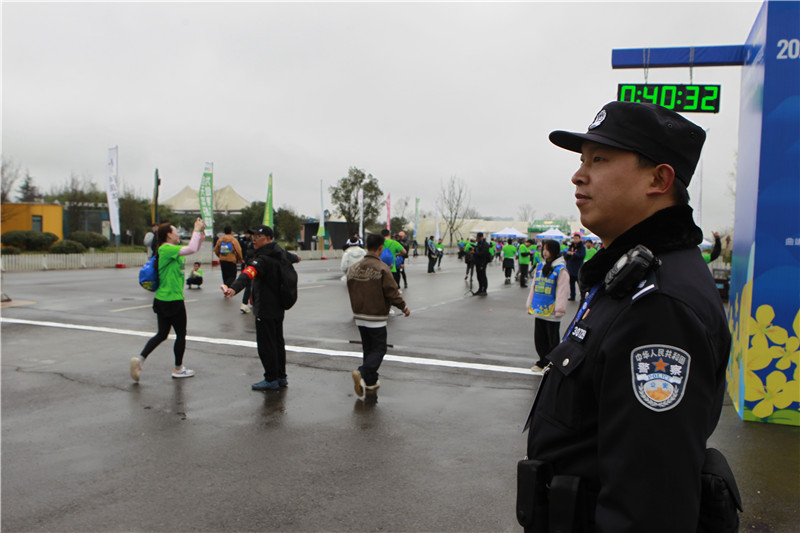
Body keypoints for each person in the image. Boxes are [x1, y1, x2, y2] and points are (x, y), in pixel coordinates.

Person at [519, 101, 735, 533]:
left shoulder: (659, 306)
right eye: (582, 161)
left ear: (659, 179)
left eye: (599, 160)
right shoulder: (627, 276)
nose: (579, 175)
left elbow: (648, 507)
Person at [222, 225, 300, 391]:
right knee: (278, 341)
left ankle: (271, 378)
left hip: (265, 307)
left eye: (258, 236)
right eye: (253, 236)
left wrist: (233, 288)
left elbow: (248, 273)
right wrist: (297, 258)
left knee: (267, 344)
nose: (254, 239)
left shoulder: (263, 259)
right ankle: (281, 376)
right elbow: (293, 257)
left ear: (268, 238)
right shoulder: (279, 253)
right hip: (279, 306)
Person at [130, 217, 206, 382]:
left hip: (163, 299)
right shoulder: (166, 249)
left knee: (162, 334)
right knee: (180, 334)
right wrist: (196, 230)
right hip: (173, 300)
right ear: (168, 235)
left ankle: (140, 361)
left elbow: (194, 248)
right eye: (175, 231)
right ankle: (178, 368)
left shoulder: (171, 249)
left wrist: (200, 233)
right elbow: (192, 247)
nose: (178, 234)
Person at [346, 233, 410, 397]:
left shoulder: (354, 268)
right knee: (380, 348)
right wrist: (404, 308)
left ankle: (371, 381)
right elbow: (392, 292)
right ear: (380, 248)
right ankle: (362, 372)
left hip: (359, 315)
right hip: (376, 316)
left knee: (368, 349)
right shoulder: (382, 268)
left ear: (367, 246)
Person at [525, 239, 568, 373]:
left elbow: (563, 290)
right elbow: (534, 287)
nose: (544, 252)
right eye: (543, 249)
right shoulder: (540, 267)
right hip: (539, 308)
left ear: (554, 251)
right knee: (540, 338)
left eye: (547, 249)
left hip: (552, 311)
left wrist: (559, 308)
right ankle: (542, 361)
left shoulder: (560, 269)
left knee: (552, 339)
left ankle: (551, 363)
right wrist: (530, 304)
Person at [563, 232, 586, 301]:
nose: (575, 240)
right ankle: (572, 296)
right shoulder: (571, 246)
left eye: (577, 238)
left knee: (580, 284)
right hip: (570, 268)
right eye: (574, 238)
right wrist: (568, 254)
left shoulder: (582, 247)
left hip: (578, 268)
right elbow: (566, 255)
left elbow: (582, 256)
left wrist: (573, 254)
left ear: (579, 239)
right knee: (571, 284)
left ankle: (583, 297)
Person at [239, 229, 255, 313]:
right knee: (250, 285)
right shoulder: (248, 243)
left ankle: (246, 303)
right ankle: (246, 303)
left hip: (248, 266)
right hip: (252, 268)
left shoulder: (248, 243)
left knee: (249, 285)